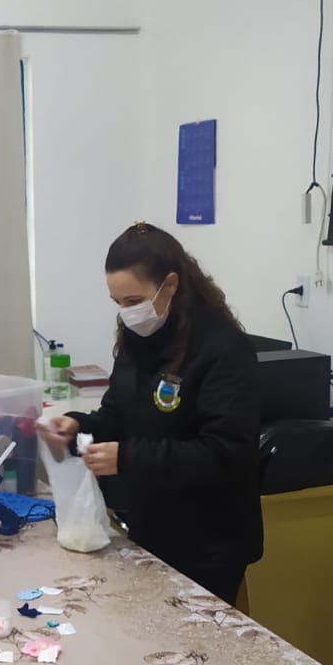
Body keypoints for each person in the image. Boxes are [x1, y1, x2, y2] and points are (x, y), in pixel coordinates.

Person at [43, 223, 263, 602]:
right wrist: (79, 425)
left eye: (134, 301)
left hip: (210, 542)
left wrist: (127, 457)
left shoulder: (223, 350)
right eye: (118, 303)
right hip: (151, 527)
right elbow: (118, 414)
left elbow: (224, 453)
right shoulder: (137, 339)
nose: (127, 313)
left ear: (171, 284)